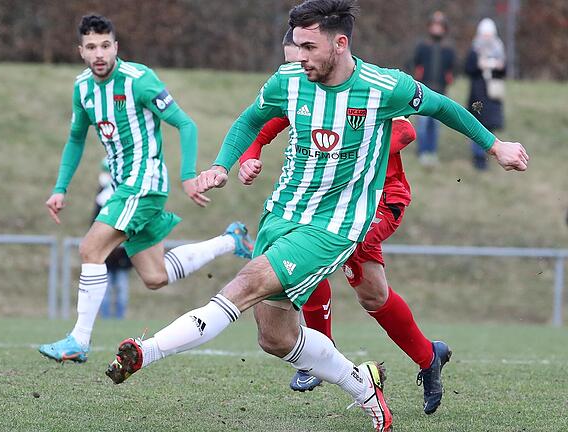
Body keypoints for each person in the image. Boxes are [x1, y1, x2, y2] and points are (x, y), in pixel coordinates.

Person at [106, 1, 528, 431]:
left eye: (309, 46)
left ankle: (146, 350)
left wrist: (495, 146)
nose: (299, 54)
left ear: (340, 43)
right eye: (296, 45)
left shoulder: (384, 86)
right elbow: (252, 120)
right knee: (275, 337)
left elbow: (443, 107)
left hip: (334, 226)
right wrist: (222, 165)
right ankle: (362, 384)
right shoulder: (288, 79)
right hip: (281, 214)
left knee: (247, 282)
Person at [39, 15, 254, 363]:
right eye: (91, 47)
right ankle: (232, 240)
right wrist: (60, 187)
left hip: (145, 182)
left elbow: (185, 123)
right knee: (155, 276)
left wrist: (187, 175)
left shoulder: (139, 80)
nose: (99, 53)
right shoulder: (83, 89)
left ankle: (79, 340)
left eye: (105, 45)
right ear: (81, 51)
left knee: (92, 248)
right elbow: (76, 139)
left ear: (116, 47)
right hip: (126, 185)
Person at [241, 112, 451, 414]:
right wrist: (253, 151)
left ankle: (319, 351)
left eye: (308, 60)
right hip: (334, 204)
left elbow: (406, 132)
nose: (303, 63)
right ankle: (430, 356)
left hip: (380, 200)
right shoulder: (308, 90)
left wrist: (353, 148)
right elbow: (275, 117)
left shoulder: (369, 86)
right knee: (373, 295)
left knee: (318, 251)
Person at [412, 11, 456, 167]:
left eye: (440, 25)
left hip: (441, 92)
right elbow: (414, 64)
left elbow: (453, 69)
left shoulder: (448, 49)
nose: (437, 28)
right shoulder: (422, 46)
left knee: (435, 125)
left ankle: (432, 152)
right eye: (434, 25)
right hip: (424, 91)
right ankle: (422, 151)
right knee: (422, 124)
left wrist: (448, 79)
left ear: (444, 28)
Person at [465, 18, 506, 170]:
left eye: (489, 34)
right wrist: (479, 66)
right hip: (477, 94)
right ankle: (478, 157)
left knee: (490, 126)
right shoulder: (474, 50)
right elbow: (468, 69)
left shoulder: (499, 49)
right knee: (476, 125)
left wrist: (496, 66)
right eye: (485, 34)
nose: (487, 37)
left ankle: (489, 154)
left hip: (492, 96)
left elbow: (504, 70)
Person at [94, 160, 132, 319]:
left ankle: (119, 319)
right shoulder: (101, 197)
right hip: (106, 254)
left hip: (122, 254)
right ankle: (105, 320)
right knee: (105, 290)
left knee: (122, 289)